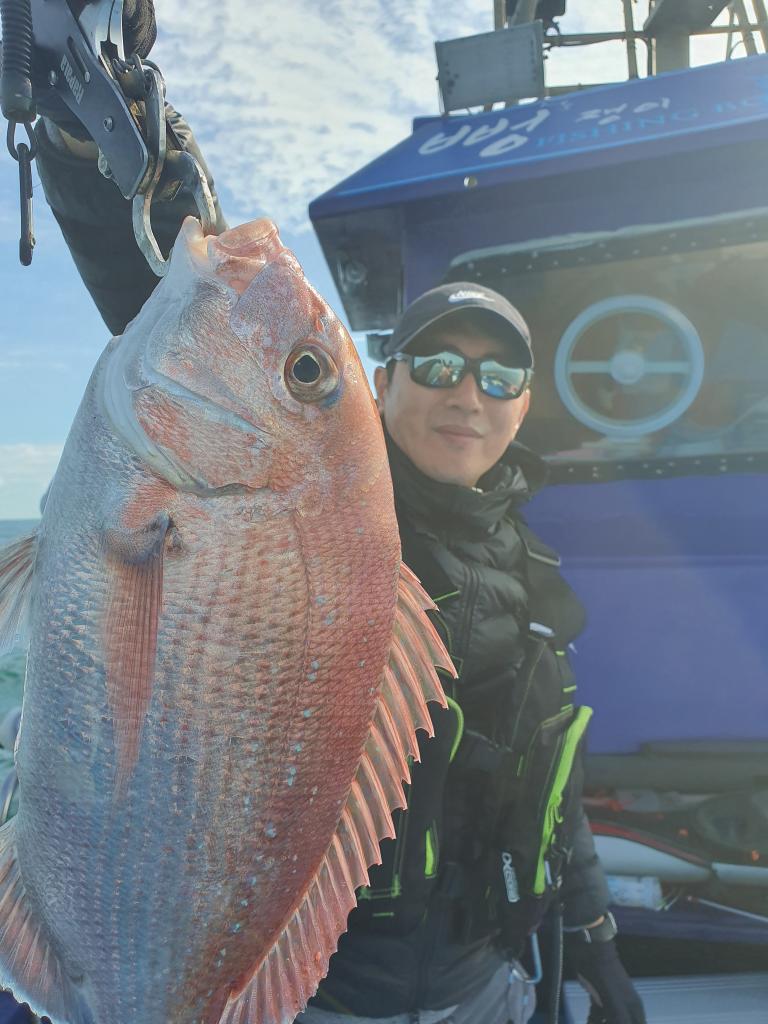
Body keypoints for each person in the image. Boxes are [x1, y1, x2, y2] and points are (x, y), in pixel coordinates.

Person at [20, 5, 646, 1023]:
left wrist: (601, 940)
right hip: (307, 994)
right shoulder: (326, 518)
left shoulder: (533, 576)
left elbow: (554, 786)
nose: (467, 394)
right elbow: (153, 275)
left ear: (524, 407)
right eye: (436, 365)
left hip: (488, 985)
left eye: (498, 377)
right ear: (384, 386)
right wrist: (96, 123)